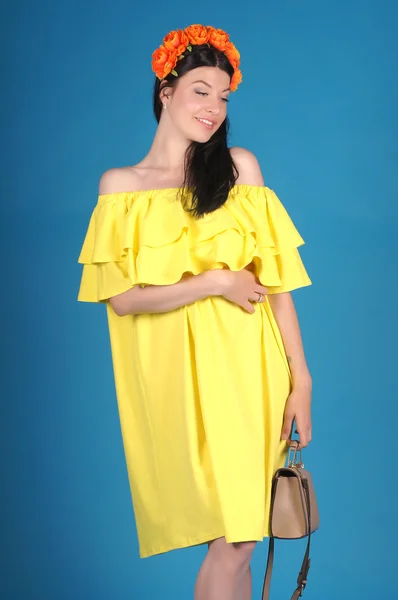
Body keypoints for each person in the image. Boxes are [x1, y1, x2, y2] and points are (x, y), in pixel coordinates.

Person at [77, 23, 313, 600]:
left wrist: (300, 379)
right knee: (227, 536)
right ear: (167, 90)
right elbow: (123, 297)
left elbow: (277, 285)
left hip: (251, 371)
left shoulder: (239, 169)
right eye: (201, 90)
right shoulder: (121, 187)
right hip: (175, 380)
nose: (214, 108)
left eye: (224, 96)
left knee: (243, 540)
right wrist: (211, 282)